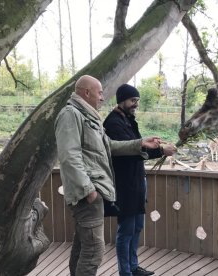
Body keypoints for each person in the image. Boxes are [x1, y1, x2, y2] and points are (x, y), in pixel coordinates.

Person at [54, 75, 161, 276]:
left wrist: (140, 144)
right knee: (94, 249)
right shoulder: (71, 114)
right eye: (100, 92)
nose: (103, 97)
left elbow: (109, 146)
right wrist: (89, 190)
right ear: (86, 92)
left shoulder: (88, 116)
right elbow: (69, 156)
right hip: (87, 193)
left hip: (94, 191)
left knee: (83, 247)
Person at [103, 84, 177, 276]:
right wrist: (160, 151)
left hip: (136, 181)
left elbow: (137, 148)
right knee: (126, 230)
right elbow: (129, 152)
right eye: (132, 100)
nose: (135, 104)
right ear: (122, 100)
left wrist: (152, 145)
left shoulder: (127, 119)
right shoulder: (113, 123)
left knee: (136, 227)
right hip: (124, 184)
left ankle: (134, 267)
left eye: (137, 100)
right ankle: (125, 272)